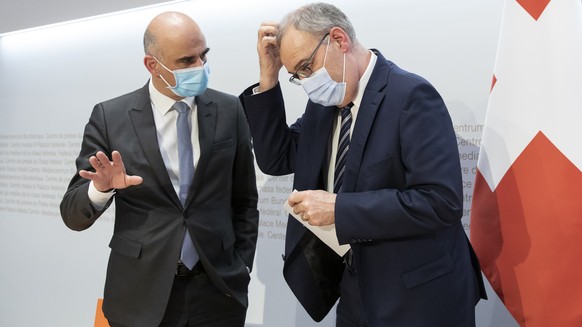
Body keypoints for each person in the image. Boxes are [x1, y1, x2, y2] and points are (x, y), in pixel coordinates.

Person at [240, 3, 486, 326]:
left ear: (339, 40)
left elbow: (441, 202)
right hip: (356, 291)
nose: (306, 81)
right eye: (296, 76)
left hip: (419, 297)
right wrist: (268, 77)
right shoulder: (323, 106)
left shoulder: (411, 96)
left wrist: (339, 209)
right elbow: (276, 157)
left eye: (306, 67)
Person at [60, 11, 259, 327]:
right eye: (186, 61)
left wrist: (242, 265)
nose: (200, 67)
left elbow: (245, 200)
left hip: (218, 292)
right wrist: (101, 188)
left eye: (202, 56)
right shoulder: (111, 117)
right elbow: (72, 213)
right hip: (139, 293)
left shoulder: (229, 109)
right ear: (153, 65)